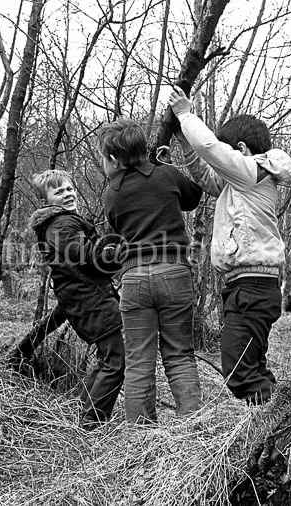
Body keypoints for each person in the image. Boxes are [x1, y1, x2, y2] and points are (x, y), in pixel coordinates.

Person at [168, 87, 291, 405]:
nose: (223, 164)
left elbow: (211, 149)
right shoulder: (239, 182)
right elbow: (204, 175)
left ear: (240, 149)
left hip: (252, 287)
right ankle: (276, 419)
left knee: (240, 372)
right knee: (252, 367)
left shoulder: (252, 171)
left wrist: (186, 114)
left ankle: (281, 422)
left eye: (229, 155)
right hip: (248, 286)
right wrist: (184, 141)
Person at [99, 118, 204, 424]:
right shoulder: (167, 174)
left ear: (115, 161)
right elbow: (193, 198)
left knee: (138, 362)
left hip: (134, 278)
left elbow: (117, 228)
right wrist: (169, 167)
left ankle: (142, 440)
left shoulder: (112, 194)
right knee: (180, 355)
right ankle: (192, 430)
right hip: (175, 274)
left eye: (104, 160)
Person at [29, 169, 125, 429]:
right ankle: (91, 423)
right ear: (46, 200)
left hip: (86, 296)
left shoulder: (62, 222)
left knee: (109, 358)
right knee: (116, 360)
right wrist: (120, 250)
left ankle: (83, 413)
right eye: (58, 192)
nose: (67, 194)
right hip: (89, 298)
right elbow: (86, 256)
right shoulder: (61, 224)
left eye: (69, 189)